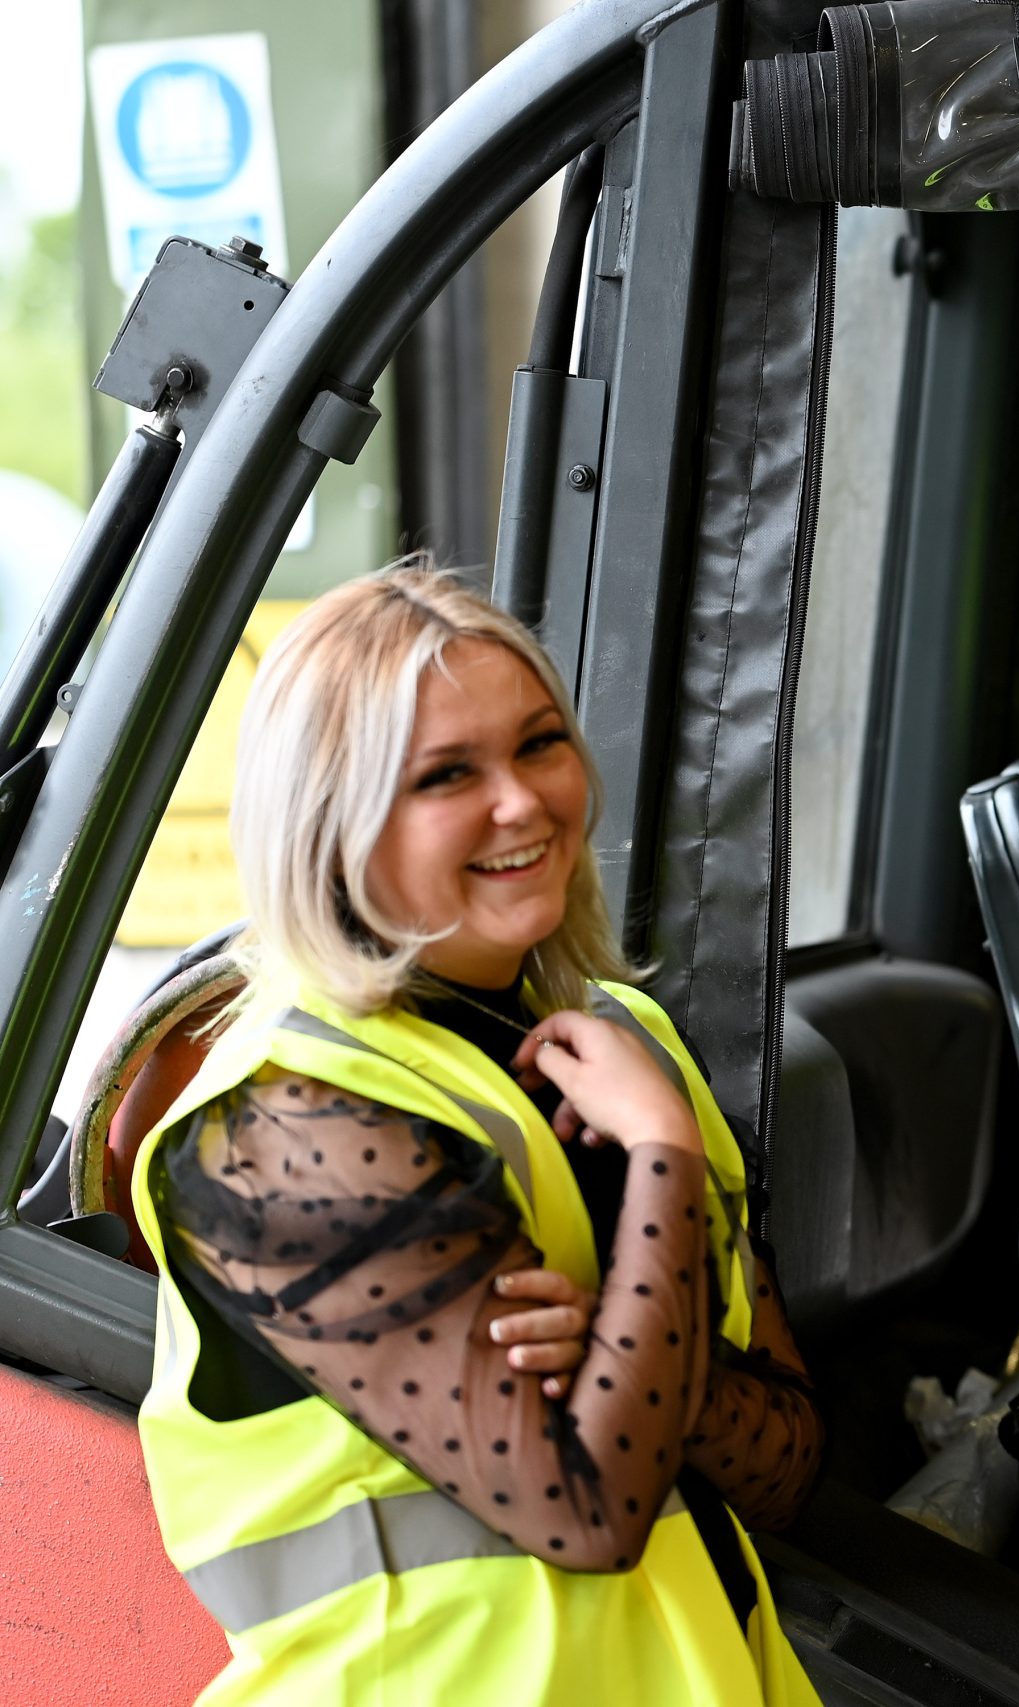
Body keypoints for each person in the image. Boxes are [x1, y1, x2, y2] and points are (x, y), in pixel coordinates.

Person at [130, 566, 823, 1704]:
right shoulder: (283, 1124)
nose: (522, 802)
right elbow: (589, 1508)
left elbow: (787, 1463)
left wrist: (624, 1349)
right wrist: (661, 1162)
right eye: (447, 775)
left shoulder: (625, 1045)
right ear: (332, 822)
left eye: (541, 744)